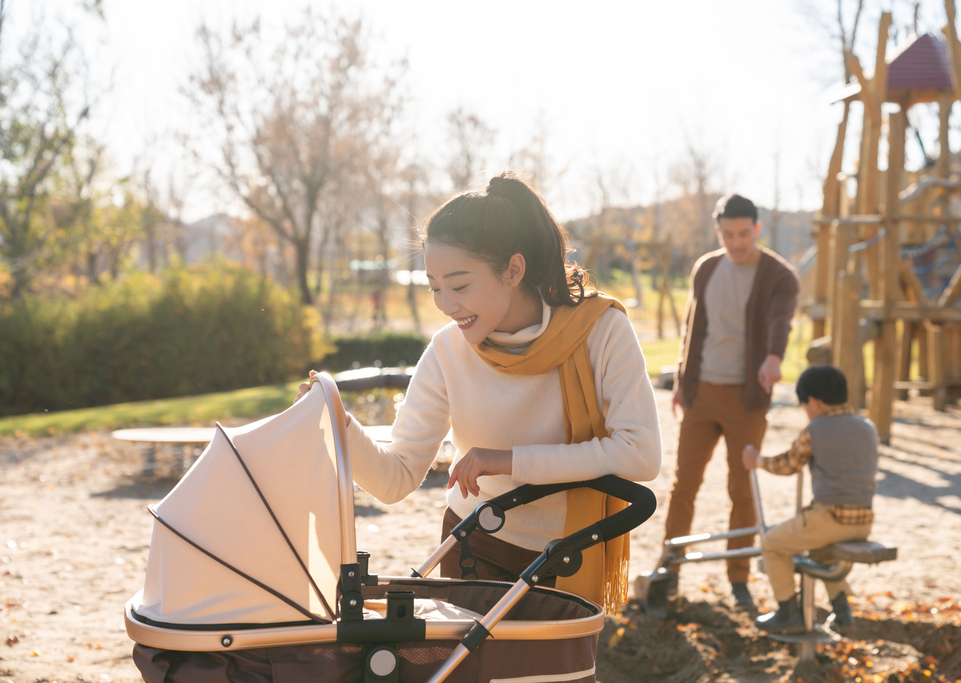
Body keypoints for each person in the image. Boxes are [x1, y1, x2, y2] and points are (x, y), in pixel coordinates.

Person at [295, 172, 661, 611]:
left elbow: (640, 454)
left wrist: (510, 462)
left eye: (460, 285)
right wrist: (338, 421)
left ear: (513, 270)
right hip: (474, 546)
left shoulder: (600, 329)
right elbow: (395, 480)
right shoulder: (448, 351)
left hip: (569, 553)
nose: (446, 305)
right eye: (434, 287)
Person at [663, 193, 799, 607]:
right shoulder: (706, 268)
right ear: (718, 231)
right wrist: (682, 382)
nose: (736, 243)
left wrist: (773, 358)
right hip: (701, 394)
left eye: (743, 234)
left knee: (742, 489)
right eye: (727, 234)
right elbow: (693, 325)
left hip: (746, 399)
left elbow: (781, 322)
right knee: (683, 484)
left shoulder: (780, 276)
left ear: (756, 229)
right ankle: (669, 568)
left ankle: (739, 578)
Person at [742, 365, 878, 633]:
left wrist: (756, 461)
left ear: (814, 402)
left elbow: (789, 464)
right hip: (864, 520)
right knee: (822, 552)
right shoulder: (867, 427)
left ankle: (787, 612)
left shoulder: (816, 428)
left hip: (830, 517)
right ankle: (842, 612)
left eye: (804, 405)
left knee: (772, 543)